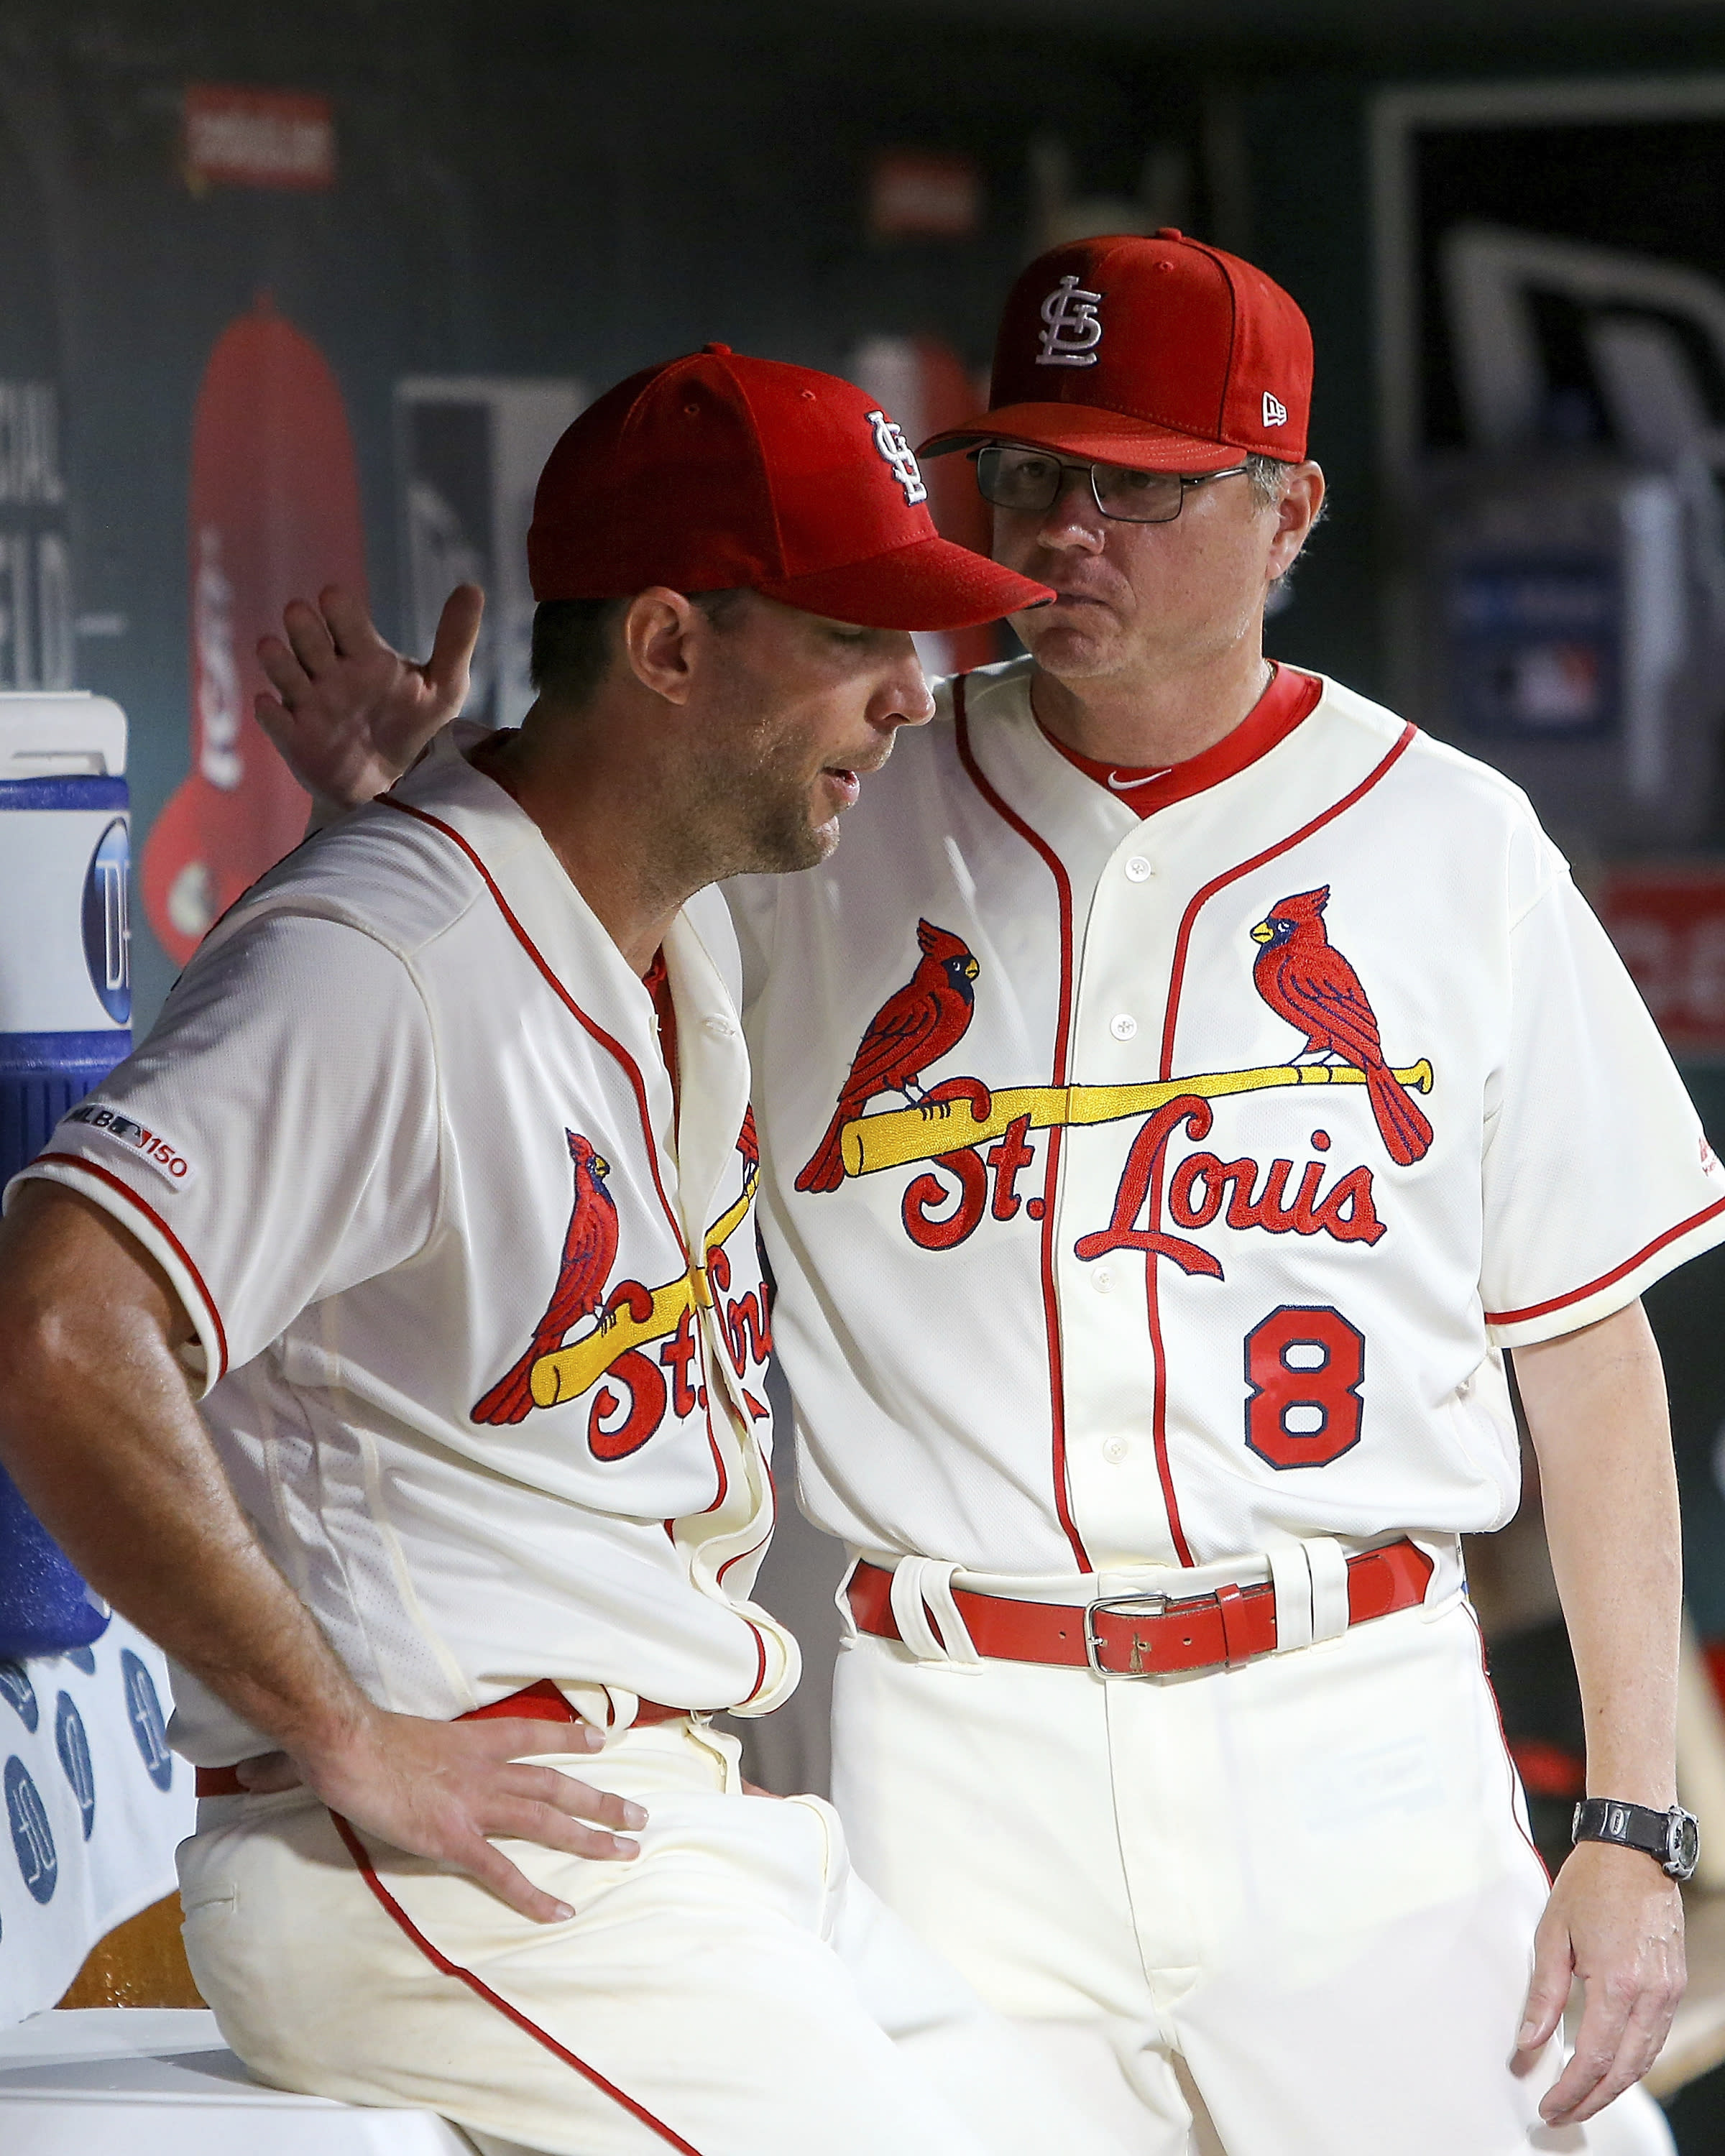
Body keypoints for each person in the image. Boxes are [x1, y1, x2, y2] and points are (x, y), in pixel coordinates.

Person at [256, 236, 1706, 2156]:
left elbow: (1587, 1358)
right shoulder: (832, 809)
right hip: (956, 1741)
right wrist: (407, 807)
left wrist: (1628, 1820)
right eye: (1030, 475)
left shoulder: (1454, 844)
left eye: (1138, 484)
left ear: (1291, 507)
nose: (1070, 532)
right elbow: (537, 959)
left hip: (1347, 1728)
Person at [0, 345, 1123, 2156]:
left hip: (674, 1819)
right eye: (858, 633)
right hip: (447, 1861)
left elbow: (489, 914)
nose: (913, 699)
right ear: (671, 649)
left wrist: (405, 787)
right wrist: (344, 1731)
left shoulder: (645, 928)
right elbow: (56, 1322)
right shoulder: (380, 956)